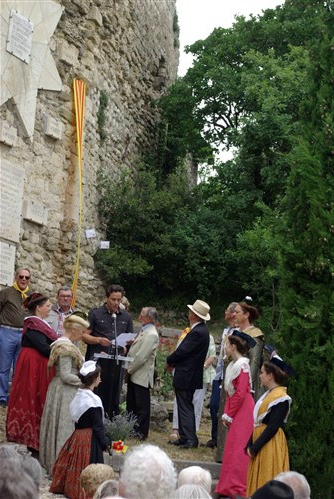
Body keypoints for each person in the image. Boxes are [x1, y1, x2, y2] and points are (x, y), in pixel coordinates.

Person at [50, 360, 110, 499]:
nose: (100, 379)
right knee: (92, 468)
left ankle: (73, 490)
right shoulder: (93, 400)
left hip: (77, 437)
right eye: (99, 376)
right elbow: (97, 426)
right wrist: (104, 443)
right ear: (94, 379)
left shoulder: (78, 395)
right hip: (90, 440)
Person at [6, 293, 57, 452]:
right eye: (48, 306)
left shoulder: (39, 324)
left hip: (37, 364)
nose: (50, 309)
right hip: (33, 366)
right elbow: (43, 347)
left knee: (36, 397)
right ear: (38, 307)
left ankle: (36, 439)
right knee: (32, 396)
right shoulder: (34, 325)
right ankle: (30, 437)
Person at [39, 313, 89, 475]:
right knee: (64, 427)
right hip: (64, 391)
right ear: (74, 330)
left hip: (62, 389)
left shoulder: (67, 345)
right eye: (82, 332)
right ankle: (59, 467)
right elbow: (66, 375)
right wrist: (85, 381)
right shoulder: (65, 348)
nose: (83, 336)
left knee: (63, 426)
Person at [215, 330, 256, 498]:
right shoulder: (233, 365)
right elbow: (231, 395)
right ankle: (227, 485)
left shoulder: (243, 365)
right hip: (237, 408)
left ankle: (238, 487)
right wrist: (227, 413)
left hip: (244, 409)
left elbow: (241, 393)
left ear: (232, 346)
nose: (224, 348)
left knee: (239, 447)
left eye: (226, 345)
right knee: (232, 446)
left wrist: (229, 414)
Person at [83, 284, 134, 418]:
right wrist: (98, 340)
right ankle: (95, 419)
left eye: (119, 300)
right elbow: (84, 336)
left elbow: (131, 339)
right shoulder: (95, 313)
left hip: (116, 363)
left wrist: (126, 348)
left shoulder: (126, 317)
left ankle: (111, 420)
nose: (116, 303)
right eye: (113, 299)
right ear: (107, 298)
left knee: (114, 393)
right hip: (98, 361)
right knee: (97, 391)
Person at [246, 356, 294, 495]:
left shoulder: (281, 397)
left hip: (270, 444)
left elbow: (273, 426)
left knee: (267, 474)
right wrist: (251, 442)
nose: (260, 375)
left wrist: (255, 446)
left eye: (262, 372)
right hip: (262, 442)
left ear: (270, 375)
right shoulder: (269, 394)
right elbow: (259, 422)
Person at [166, 300, 210, 449]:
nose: (189, 314)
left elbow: (182, 351)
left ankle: (190, 438)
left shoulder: (197, 332)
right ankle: (185, 436)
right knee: (184, 405)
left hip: (187, 374)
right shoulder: (201, 330)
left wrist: (170, 360)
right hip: (189, 374)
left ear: (195, 315)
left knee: (185, 406)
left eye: (191, 312)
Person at [170, 334, 216, 441]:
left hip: (201, 374)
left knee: (197, 402)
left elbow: (212, 356)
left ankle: (191, 432)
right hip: (185, 373)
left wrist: (202, 367)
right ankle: (176, 429)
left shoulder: (208, 337)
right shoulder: (185, 334)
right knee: (179, 401)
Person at [209, 302, 237, 461]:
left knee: (224, 409)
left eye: (227, 310)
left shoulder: (238, 333)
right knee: (213, 405)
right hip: (219, 374)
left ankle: (223, 440)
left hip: (228, 375)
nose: (224, 312)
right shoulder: (226, 330)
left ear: (233, 314)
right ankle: (215, 436)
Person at [126, 307, 159, 440]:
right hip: (136, 374)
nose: (139, 317)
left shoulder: (151, 334)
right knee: (133, 403)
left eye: (142, 315)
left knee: (141, 405)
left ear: (149, 319)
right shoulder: (145, 331)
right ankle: (133, 429)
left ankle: (140, 432)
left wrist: (129, 369)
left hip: (141, 374)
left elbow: (141, 357)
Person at [0, 267, 32, 406]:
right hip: (7, 332)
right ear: (16, 277)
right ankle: (1, 396)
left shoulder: (31, 296)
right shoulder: (5, 292)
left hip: (24, 334)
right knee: (4, 367)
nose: (24, 279)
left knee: (19, 368)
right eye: (21, 277)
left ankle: (14, 396)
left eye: (27, 277)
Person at [234, 301, 264, 401]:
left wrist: (245, 386)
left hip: (244, 385)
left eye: (237, 312)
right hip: (233, 379)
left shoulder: (254, 335)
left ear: (246, 315)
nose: (234, 315)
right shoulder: (237, 333)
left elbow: (254, 362)